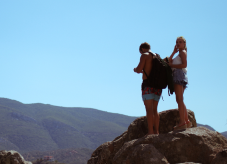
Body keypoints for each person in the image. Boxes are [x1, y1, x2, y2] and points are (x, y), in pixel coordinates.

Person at [134, 42, 162, 135]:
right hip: (158, 86)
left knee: (149, 109)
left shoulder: (144, 55)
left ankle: (150, 132)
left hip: (147, 85)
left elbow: (138, 69)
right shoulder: (157, 56)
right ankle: (157, 131)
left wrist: (135, 69)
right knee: (155, 109)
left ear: (142, 49)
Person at [168, 36, 192, 130]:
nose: (178, 43)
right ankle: (186, 121)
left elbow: (184, 65)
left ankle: (182, 122)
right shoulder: (179, 53)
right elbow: (169, 60)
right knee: (180, 99)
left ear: (184, 44)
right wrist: (174, 52)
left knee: (179, 99)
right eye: (177, 42)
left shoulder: (183, 52)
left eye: (180, 42)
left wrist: (172, 65)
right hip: (179, 75)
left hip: (179, 74)